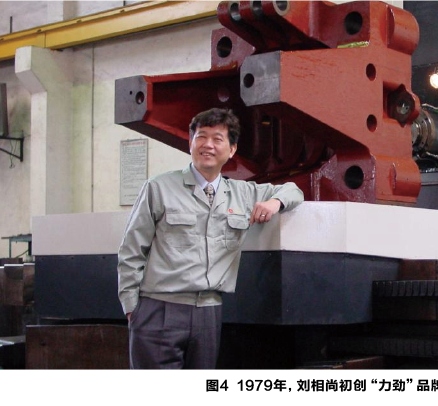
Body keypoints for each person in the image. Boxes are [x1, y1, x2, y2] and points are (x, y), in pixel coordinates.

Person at [117, 107, 304, 369]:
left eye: (218, 139)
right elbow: (131, 250)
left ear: (232, 149)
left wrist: (275, 202)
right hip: (159, 308)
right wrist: (131, 307)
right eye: (201, 136)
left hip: (209, 312)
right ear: (190, 143)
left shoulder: (242, 193)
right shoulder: (158, 188)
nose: (208, 145)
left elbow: (294, 190)